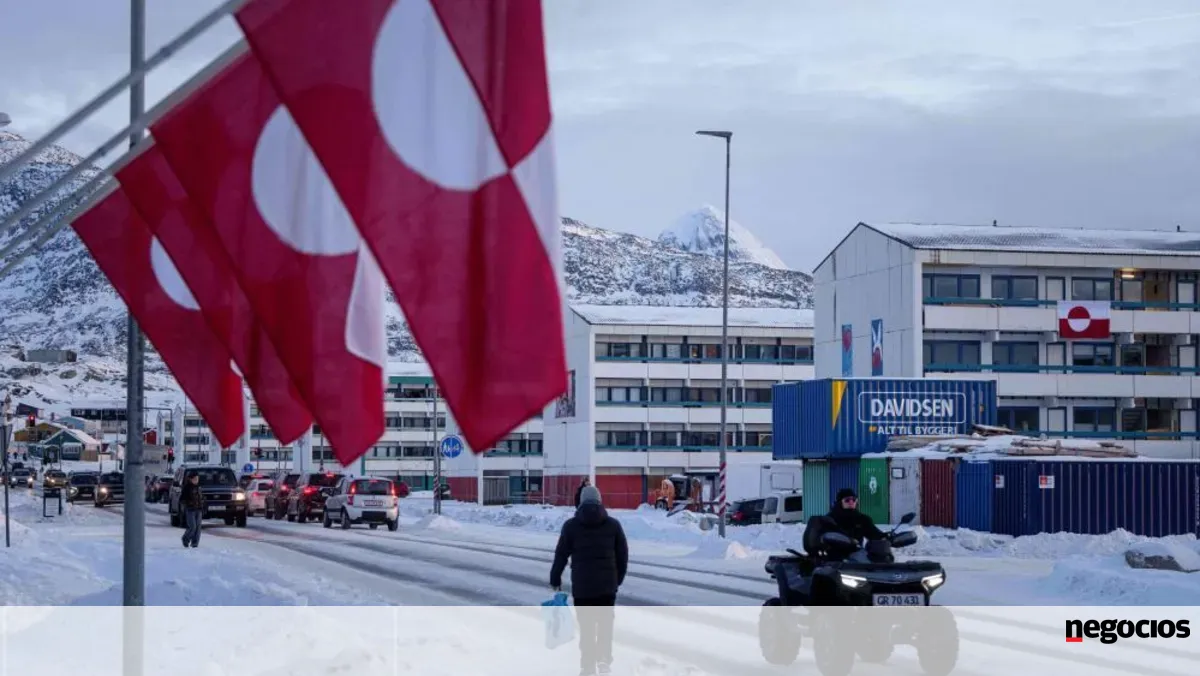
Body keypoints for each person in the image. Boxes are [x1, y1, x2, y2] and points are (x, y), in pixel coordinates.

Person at [550, 485, 629, 676]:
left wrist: (555, 578)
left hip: (583, 588)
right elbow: (623, 555)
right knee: (605, 626)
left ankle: (587, 666)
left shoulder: (571, 526)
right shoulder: (613, 525)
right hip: (607, 589)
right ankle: (604, 661)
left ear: (581, 503)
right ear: (600, 501)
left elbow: (561, 554)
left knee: (586, 628)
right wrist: (617, 580)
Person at [180, 473, 206, 549]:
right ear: (191, 479)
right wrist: (188, 503)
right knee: (192, 527)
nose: (196, 480)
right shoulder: (187, 488)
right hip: (190, 510)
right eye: (195, 479)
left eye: (197, 478)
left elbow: (202, 498)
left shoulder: (199, 487)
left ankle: (195, 543)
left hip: (199, 510)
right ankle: (185, 539)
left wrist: (203, 505)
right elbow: (182, 500)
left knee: (198, 528)